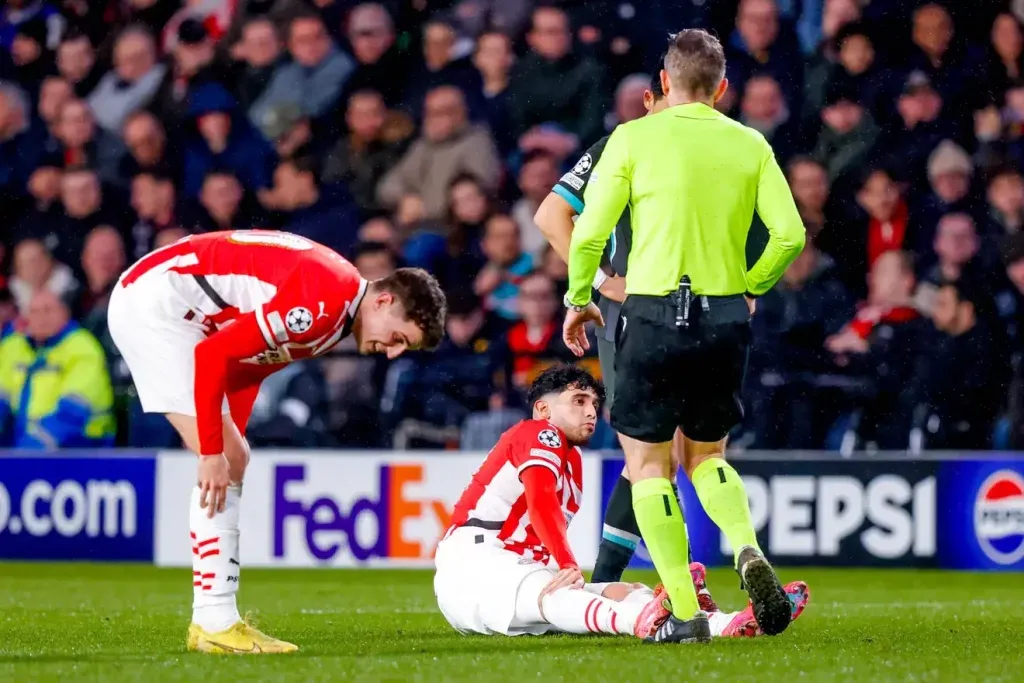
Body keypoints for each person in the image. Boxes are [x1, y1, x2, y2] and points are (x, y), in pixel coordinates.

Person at [535, 67, 810, 628]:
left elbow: (573, 226)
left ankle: (668, 593)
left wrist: (587, 289)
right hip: (666, 310)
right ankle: (678, 576)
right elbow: (552, 214)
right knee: (680, 456)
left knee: (655, 459)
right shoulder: (634, 142)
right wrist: (606, 284)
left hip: (650, 313)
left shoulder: (652, 145)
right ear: (651, 98)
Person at [107, 230, 447, 654]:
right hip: (155, 304)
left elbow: (247, 367)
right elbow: (213, 356)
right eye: (399, 338)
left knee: (234, 457)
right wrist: (213, 453)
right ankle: (214, 621)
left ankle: (212, 620)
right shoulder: (324, 305)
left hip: (166, 300)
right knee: (228, 457)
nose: (392, 352)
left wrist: (229, 443)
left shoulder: (336, 314)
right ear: (383, 302)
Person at [434, 364, 787, 640]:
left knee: (628, 590)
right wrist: (566, 562)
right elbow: (540, 500)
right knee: (557, 595)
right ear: (543, 408)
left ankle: (721, 624)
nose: (590, 412)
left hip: (512, 572)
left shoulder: (571, 460)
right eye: (578, 401)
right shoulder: (537, 433)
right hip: (474, 563)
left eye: (593, 403)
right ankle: (644, 622)